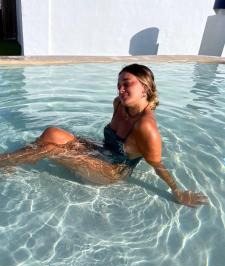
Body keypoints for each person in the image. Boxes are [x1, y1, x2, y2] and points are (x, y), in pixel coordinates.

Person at [0, 64, 208, 207]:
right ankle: (16, 160)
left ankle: (7, 162)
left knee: (52, 148)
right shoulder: (119, 104)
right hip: (103, 152)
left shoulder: (147, 127)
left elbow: (158, 165)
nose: (120, 89)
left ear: (144, 88)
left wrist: (177, 191)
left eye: (127, 83)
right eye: (119, 84)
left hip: (111, 172)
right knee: (52, 132)